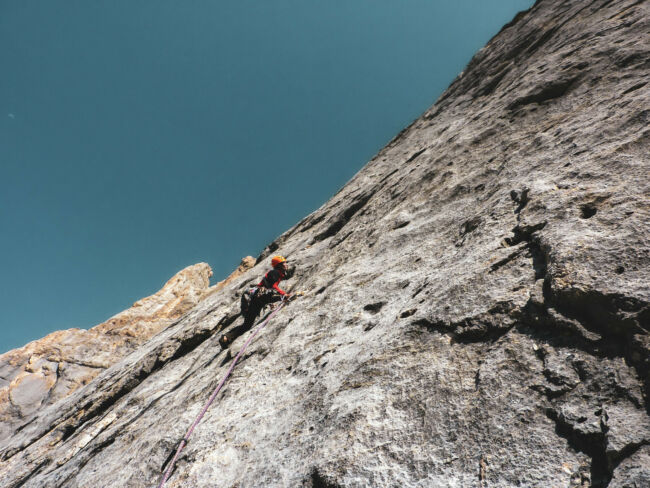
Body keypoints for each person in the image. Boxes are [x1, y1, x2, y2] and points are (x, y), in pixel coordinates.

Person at [219, 255, 294, 348]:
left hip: (256, 299)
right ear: (279, 265)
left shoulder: (275, 273)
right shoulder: (275, 272)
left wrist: (271, 302)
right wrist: (283, 294)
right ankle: (228, 338)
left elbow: (268, 288)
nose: (286, 264)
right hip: (260, 297)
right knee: (281, 296)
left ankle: (226, 338)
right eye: (284, 263)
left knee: (247, 325)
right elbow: (272, 287)